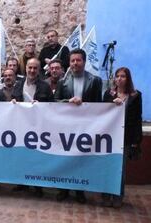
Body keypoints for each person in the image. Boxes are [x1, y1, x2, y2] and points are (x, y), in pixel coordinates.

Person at [54, 49, 102, 203]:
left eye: (78, 60)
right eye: (72, 60)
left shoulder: (95, 80)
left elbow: (98, 105)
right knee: (64, 157)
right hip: (66, 127)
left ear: (84, 61)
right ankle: (63, 190)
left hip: (86, 128)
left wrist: (84, 104)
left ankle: (79, 191)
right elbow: (55, 102)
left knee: (81, 159)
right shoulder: (63, 82)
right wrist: (67, 102)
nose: (75, 63)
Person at [10, 58, 54, 197]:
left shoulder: (45, 86)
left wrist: (41, 105)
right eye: (30, 67)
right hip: (21, 127)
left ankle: (37, 185)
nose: (32, 70)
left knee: (36, 157)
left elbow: (52, 106)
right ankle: (21, 182)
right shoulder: (18, 84)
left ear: (39, 70)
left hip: (38, 128)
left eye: (35, 68)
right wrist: (12, 102)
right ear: (26, 68)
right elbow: (13, 99)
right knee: (21, 155)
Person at [101, 67, 142, 208]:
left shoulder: (135, 95)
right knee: (107, 167)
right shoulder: (108, 93)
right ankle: (105, 195)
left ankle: (118, 196)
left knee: (120, 169)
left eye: (123, 76)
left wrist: (136, 141)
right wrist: (112, 104)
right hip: (109, 137)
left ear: (128, 78)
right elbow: (101, 113)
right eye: (117, 76)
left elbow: (137, 118)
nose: (119, 78)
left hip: (125, 138)